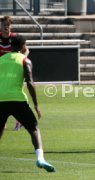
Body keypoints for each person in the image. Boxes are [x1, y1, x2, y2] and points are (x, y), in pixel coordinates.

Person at [0, 35, 56, 172]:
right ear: (23, 46)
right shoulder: (25, 60)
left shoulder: (1, 59)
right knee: (34, 129)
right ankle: (40, 158)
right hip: (18, 100)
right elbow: (30, 82)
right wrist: (36, 104)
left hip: (1, 99)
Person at [0, 16, 29, 130]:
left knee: (15, 92)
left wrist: (21, 60)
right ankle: (3, 121)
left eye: (8, 25)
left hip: (13, 70)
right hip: (2, 69)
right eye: (4, 25)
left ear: (11, 26)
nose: (6, 27)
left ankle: (20, 120)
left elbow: (26, 50)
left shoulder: (15, 38)